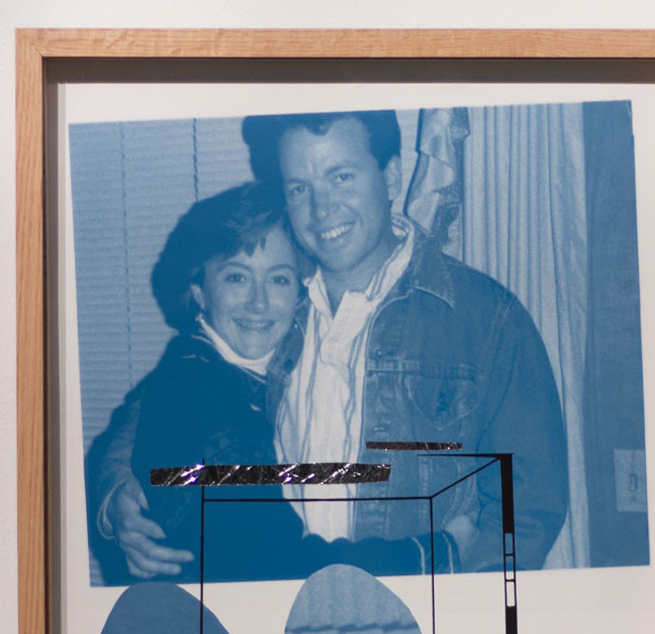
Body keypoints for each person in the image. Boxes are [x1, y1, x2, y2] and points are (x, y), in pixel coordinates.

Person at [91, 109, 569, 580]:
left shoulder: (484, 318)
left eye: (342, 177)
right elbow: (166, 399)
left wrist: (460, 608)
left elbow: (525, 512)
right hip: (275, 612)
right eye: (300, 188)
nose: (321, 210)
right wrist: (117, 495)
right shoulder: (277, 306)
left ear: (391, 176)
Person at [87, 180, 437, 584]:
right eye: (236, 278)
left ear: (302, 291)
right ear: (199, 291)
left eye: (278, 279)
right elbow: (275, 565)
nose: (258, 302)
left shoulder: (290, 359)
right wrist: (432, 554)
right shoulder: (194, 390)